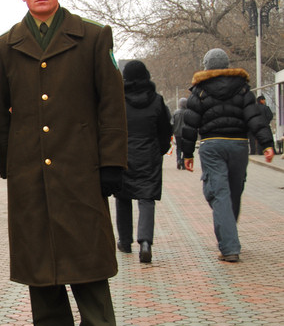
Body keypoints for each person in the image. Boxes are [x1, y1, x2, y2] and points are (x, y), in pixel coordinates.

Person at [0, 0, 128, 326]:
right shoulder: (4, 47)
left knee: (89, 266)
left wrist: (110, 164)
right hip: (31, 177)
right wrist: (12, 166)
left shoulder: (91, 37)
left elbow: (111, 105)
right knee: (39, 269)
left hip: (80, 173)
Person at [182, 48, 274, 263]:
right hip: (239, 145)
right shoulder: (242, 89)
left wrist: (187, 154)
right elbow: (254, 118)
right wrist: (267, 144)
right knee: (234, 190)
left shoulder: (200, 91)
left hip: (211, 145)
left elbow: (190, 123)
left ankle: (229, 245)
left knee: (218, 192)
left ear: (206, 66)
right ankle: (229, 236)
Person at [114, 60, 172, 263]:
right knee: (146, 199)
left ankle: (124, 240)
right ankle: (145, 242)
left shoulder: (118, 100)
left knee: (123, 198)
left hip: (124, 155)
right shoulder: (157, 100)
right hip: (149, 155)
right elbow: (165, 129)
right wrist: (160, 149)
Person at [172, 97, 188, 169]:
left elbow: (172, 123)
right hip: (186, 133)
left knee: (178, 147)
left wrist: (172, 131)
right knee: (186, 148)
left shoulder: (176, 112)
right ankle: (183, 162)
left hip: (177, 133)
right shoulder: (188, 112)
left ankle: (178, 160)